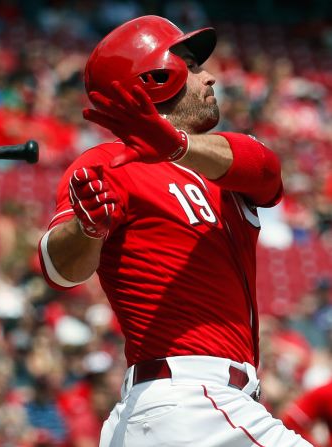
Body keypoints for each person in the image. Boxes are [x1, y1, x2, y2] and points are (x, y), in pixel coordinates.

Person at [38, 15, 311, 446]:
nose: (210, 77)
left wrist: (176, 145)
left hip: (188, 410)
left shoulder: (221, 163)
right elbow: (59, 271)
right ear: (156, 78)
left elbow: (268, 172)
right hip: (189, 401)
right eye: (192, 65)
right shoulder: (107, 163)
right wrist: (87, 229)